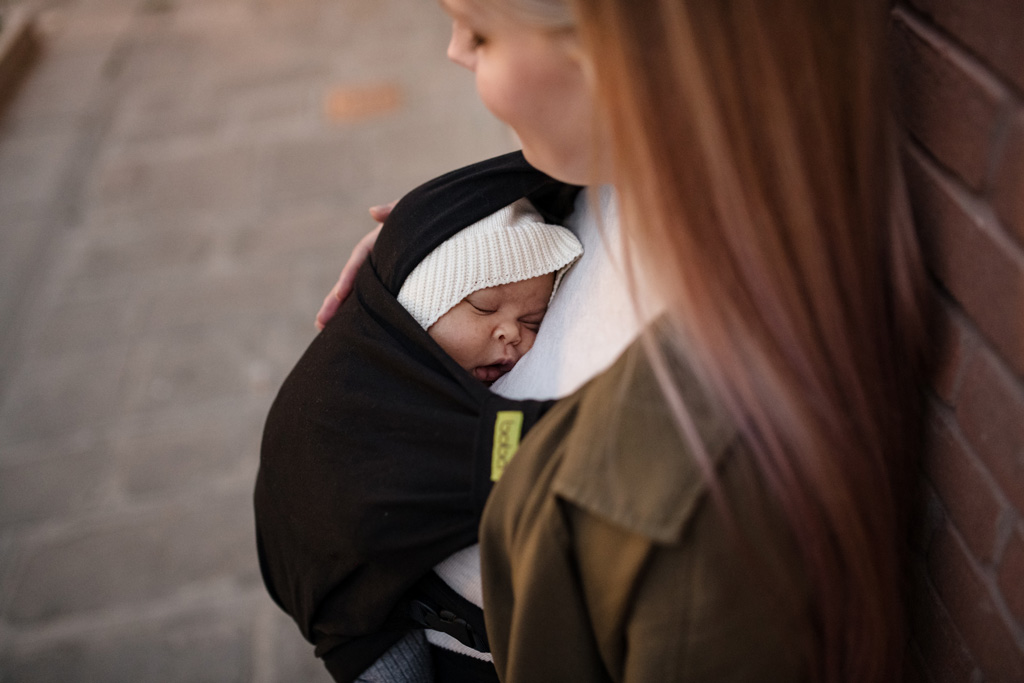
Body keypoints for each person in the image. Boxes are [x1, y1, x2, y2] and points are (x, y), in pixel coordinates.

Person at [314, 0, 931, 681]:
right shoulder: (599, 178)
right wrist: (437, 236)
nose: (455, 51)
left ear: (614, 57)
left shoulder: (692, 493)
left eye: (481, 30)